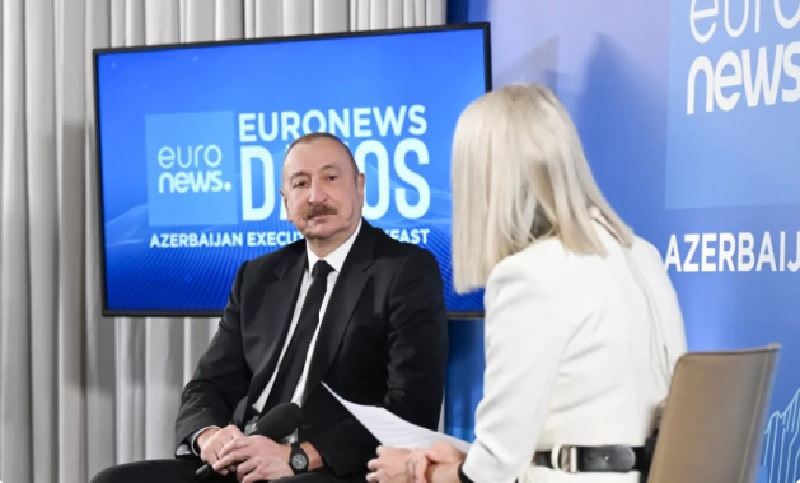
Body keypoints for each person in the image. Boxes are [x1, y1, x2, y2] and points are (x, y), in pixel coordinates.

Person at [367, 84, 687, 483]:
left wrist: (421, 471)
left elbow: (492, 472)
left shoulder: (528, 276)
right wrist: (467, 458)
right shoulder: (642, 254)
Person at [93, 132, 448, 483]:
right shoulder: (258, 276)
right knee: (113, 480)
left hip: (328, 468)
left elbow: (412, 407)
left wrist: (298, 457)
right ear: (285, 200)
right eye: (300, 183)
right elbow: (208, 384)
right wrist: (209, 436)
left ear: (360, 185)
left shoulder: (405, 270)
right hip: (243, 462)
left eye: (330, 178)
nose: (316, 196)